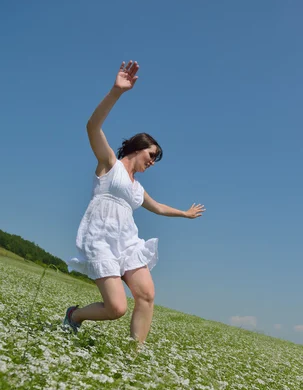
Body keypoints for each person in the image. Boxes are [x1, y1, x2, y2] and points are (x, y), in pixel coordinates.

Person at [65, 60, 205, 346]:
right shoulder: (109, 165)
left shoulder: (138, 189)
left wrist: (184, 213)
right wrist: (117, 91)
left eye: (155, 160)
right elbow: (93, 126)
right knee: (116, 308)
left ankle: (133, 359)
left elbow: (157, 207)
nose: (152, 162)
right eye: (151, 155)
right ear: (137, 147)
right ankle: (75, 316)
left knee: (146, 295)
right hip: (101, 239)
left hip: (126, 241)